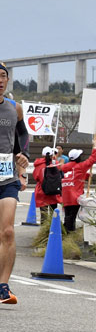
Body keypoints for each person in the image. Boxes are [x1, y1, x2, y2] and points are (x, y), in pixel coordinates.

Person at [0, 61, 30, 305]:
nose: (0, 80)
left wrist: (24, 157)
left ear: (7, 81)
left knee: (8, 231)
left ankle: (3, 286)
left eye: (3, 76)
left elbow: (22, 135)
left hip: (6, 176)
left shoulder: (15, 109)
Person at [61, 139, 96, 232]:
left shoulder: (64, 167)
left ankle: (66, 232)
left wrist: (86, 175)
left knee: (68, 216)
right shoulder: (80, 167)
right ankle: (69, 233)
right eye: (80, 156)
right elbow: (93, 159)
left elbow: (73, 175)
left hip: (66, 196)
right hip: (75, 196)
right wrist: (95, 146)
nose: (81, 157)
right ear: (76, 158)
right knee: (72, 217)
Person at [32, 147, 63, 219]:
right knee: (54, 213)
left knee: (44, 214)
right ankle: (54, 228)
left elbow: (36, 177)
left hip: (42, 191)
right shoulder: (55, 164)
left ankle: (44, 228)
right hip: (53, 190)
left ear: (42, 155)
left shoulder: (38, 165)